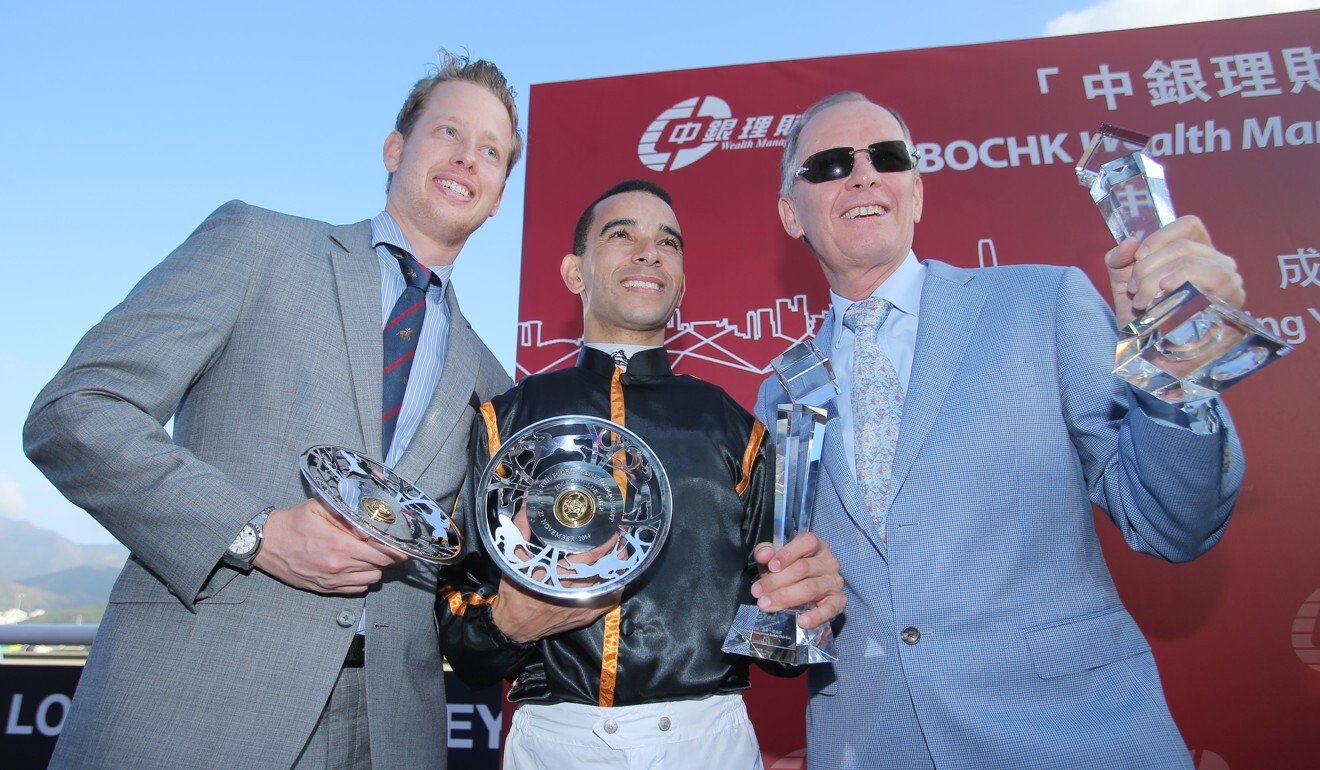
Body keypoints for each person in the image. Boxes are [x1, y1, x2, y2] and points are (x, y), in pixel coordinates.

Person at [24, 52, 519, 769]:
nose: (466, 159)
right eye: (448, 132)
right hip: (197, 706)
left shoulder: (494, 381)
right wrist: (254, 533)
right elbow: (77, 410)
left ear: (501, 192)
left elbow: (469, 567)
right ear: (394, 148)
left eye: (491, 152)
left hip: (391, 733)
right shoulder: (258, 244)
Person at [762, 91, 1246, 769]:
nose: (865, 174)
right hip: (875, 746)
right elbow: (791, 588)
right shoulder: (779, 389)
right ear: (792, 212)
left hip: (1074, 741)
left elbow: (1173, 521)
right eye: (832, 164)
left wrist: (1176, 353)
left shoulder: (1042, 303)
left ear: (917, 192)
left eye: (888, 157)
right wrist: (792, 596)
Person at [436, 179, 846, 769]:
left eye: (668, 242)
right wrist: (503, 625)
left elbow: (781, 642)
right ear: (575, 272)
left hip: (709, 739)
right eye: (621, 234)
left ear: (680, 282)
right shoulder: (507, 420)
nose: (648, 251)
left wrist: (811, 602)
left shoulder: (737, 428)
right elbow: (457, 624)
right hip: (553, 740)